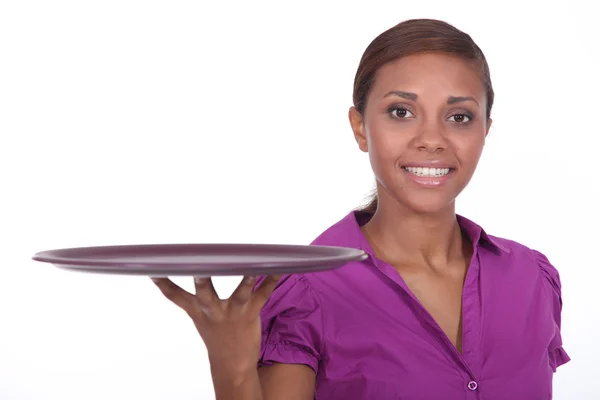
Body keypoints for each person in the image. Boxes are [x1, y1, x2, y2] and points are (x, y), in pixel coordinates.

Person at [152, 18, 570, 399]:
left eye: (459, 117)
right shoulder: (304, 290)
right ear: (360, 128)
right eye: (401, 112)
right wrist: (232, 367)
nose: (432, 138)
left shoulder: (531, 278)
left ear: (485, 131)